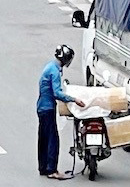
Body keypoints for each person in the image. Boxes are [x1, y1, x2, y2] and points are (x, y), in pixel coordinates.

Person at [37, 44, 85, 180]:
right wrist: (74, 100)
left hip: (41, 107)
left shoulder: (50, 66)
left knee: (44, 138)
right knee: (53, 139)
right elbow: (57, 93)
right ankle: (52, 170)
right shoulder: (55, 71)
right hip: (48, 108)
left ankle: (43, 167)